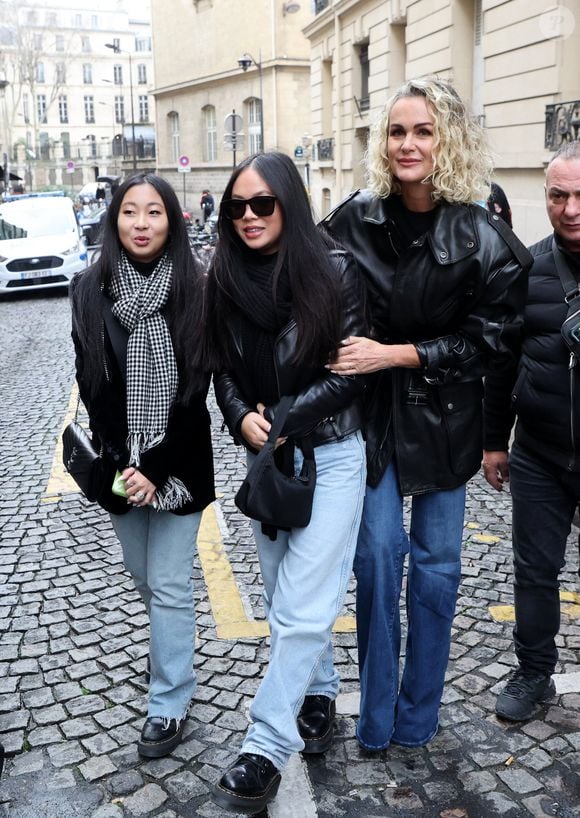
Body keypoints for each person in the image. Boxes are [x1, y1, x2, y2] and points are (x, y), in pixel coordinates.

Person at [322, 77, 530, 751]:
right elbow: (305, 290)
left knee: (437, 569)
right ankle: (376, 717)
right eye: (397, 131)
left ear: (449, 141)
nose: (407, 144)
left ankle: (419, 714)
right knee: (378, 560)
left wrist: (398, 353)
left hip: (446, 419)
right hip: (372, 419)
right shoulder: (352, 219)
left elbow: (493, 341)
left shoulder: (484, 235)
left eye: (423, 131)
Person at [199, 151, 367, 813]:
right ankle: (319, 694)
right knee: (283, 597)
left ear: (288, 204)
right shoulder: (223, 277)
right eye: (237, 206)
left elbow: (350, 374)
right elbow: (222, 368)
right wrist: (240, 416)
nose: (249, 216)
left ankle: (265, 745)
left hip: (332, 452)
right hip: (266, 457)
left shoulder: (336, 271)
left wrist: (284, 417)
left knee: (302, 605)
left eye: (262, 203)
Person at [70, 173, 215, 758]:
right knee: (144, 578)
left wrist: (154, 465)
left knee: (170, 582)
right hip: (117, 464)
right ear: (115, 220)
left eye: (154, 212)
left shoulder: (195, 288)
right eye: (130, 211)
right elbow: (89, 380)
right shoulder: (89, 289)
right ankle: (168, 652)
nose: (141, 223)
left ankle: (170, 700)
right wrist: (122, 460)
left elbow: (196, 387)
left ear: (171, 221)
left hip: (179, 463)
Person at [483, 140, 580, 721]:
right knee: (535, 572)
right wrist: (495, 442)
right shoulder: (526, 270)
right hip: (540, 455)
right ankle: (534, 673)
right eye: (558, 196)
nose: (571, 209)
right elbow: (501, 365)